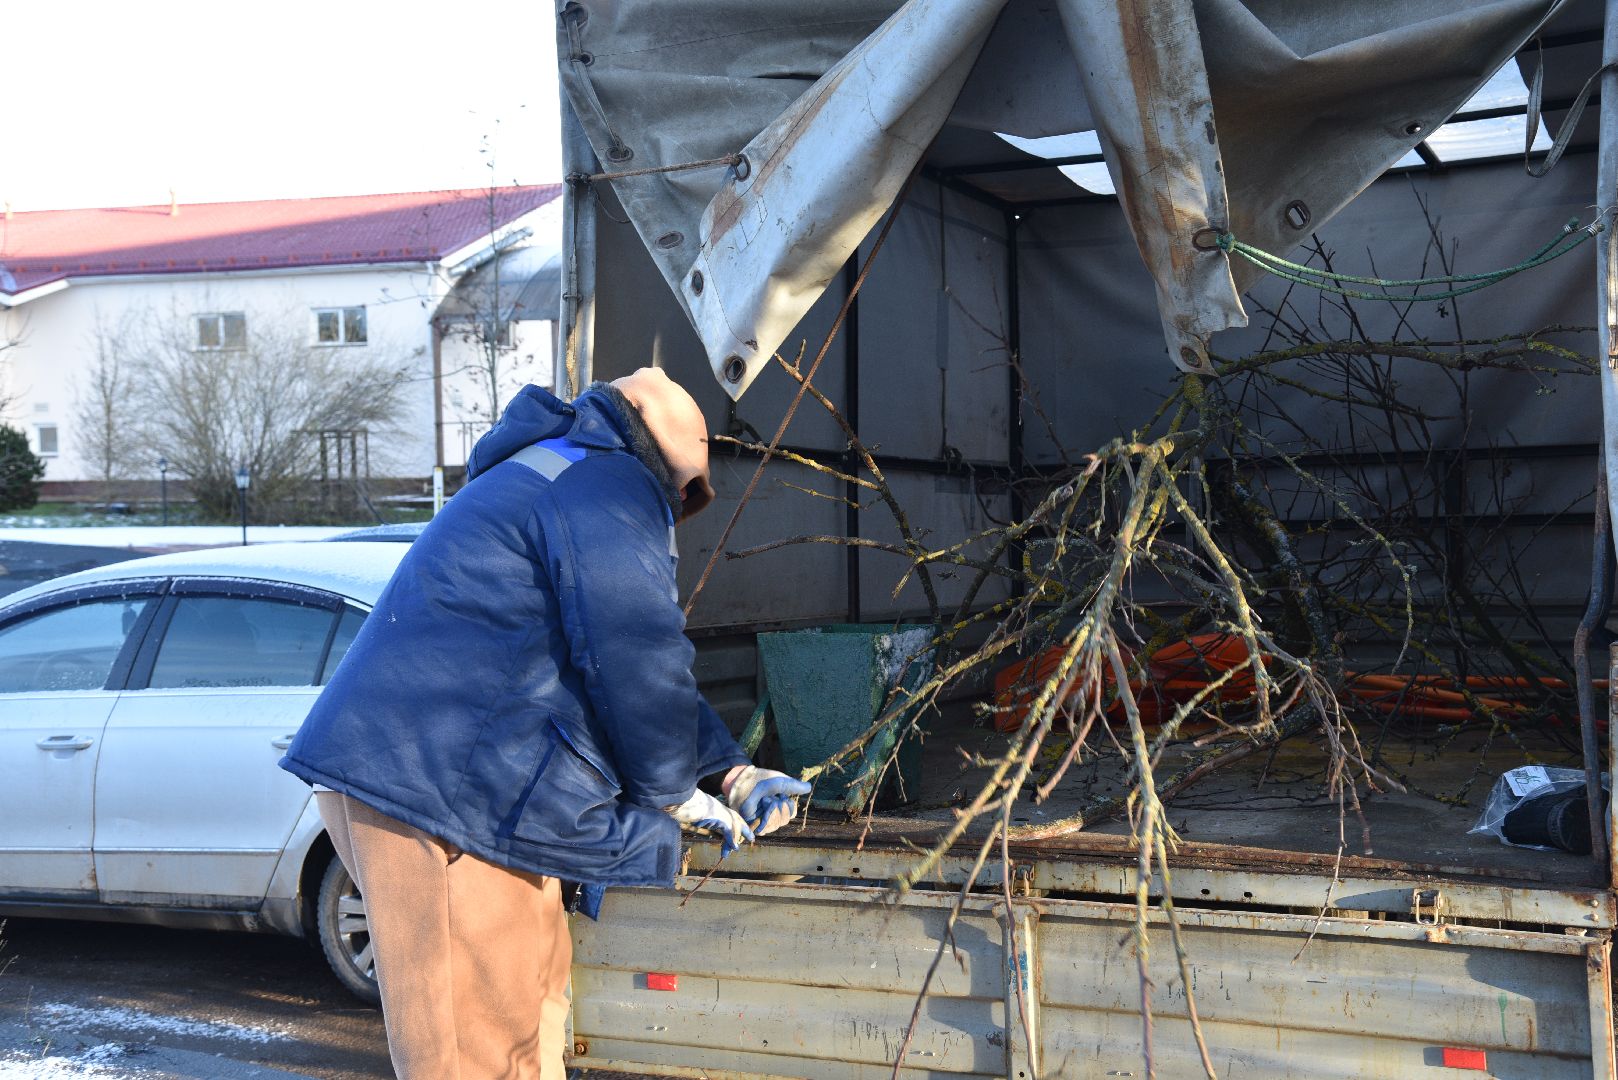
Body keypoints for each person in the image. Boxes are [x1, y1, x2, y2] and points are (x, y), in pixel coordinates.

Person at [280, 369, 811, 1080]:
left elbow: (612, 657)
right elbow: (634, 650)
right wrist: (670, 790)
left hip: (450, 776)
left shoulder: (556, 470)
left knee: (533, 1004)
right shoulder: (608, 485)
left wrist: (729, 769)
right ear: (673, 480)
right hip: (440, 793)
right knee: (475, 1049)